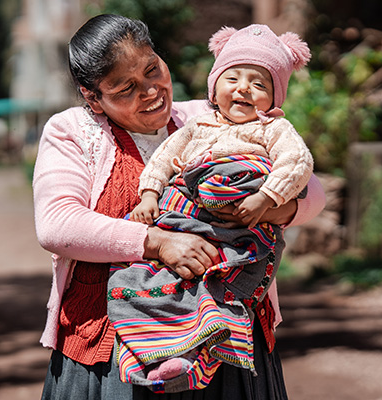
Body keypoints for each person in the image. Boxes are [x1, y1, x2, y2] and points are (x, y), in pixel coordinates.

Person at [33, 14, 326, 399]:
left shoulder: (207, 118)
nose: (151, 91)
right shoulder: (71, 131)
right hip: (113, 350)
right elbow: (58, 225)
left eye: (153, 69)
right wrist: (156, 242)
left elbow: (313, 191)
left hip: (223, 340)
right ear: (93, 97)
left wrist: (265, 208)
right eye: (126, 89)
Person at [107, 24, 314, 392]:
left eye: (259, 84)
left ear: (273, 99)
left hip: (241, 227)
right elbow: (163, 159)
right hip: (187, 218)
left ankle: (198, 360)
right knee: (154, 282)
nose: (244, 88)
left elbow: (297, 165)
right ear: (213, 89)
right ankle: (151, 351)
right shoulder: (196, 125)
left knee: (221, 291)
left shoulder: (274, 130)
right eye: (232, 77)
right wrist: (151, 196)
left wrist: (266, 199)